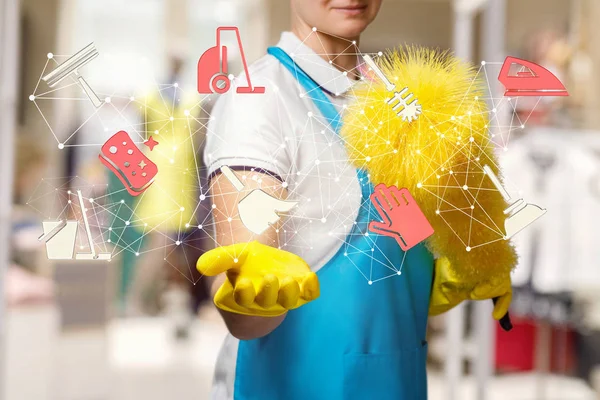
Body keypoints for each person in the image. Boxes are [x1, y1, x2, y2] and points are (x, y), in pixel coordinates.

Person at [197, 1, 512, 399]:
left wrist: (450, 262)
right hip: (294, 382)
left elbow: (394, 255)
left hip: (397, 377)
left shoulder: (397, 98)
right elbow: (247, 309)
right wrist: (251, 296)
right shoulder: (260, 99)